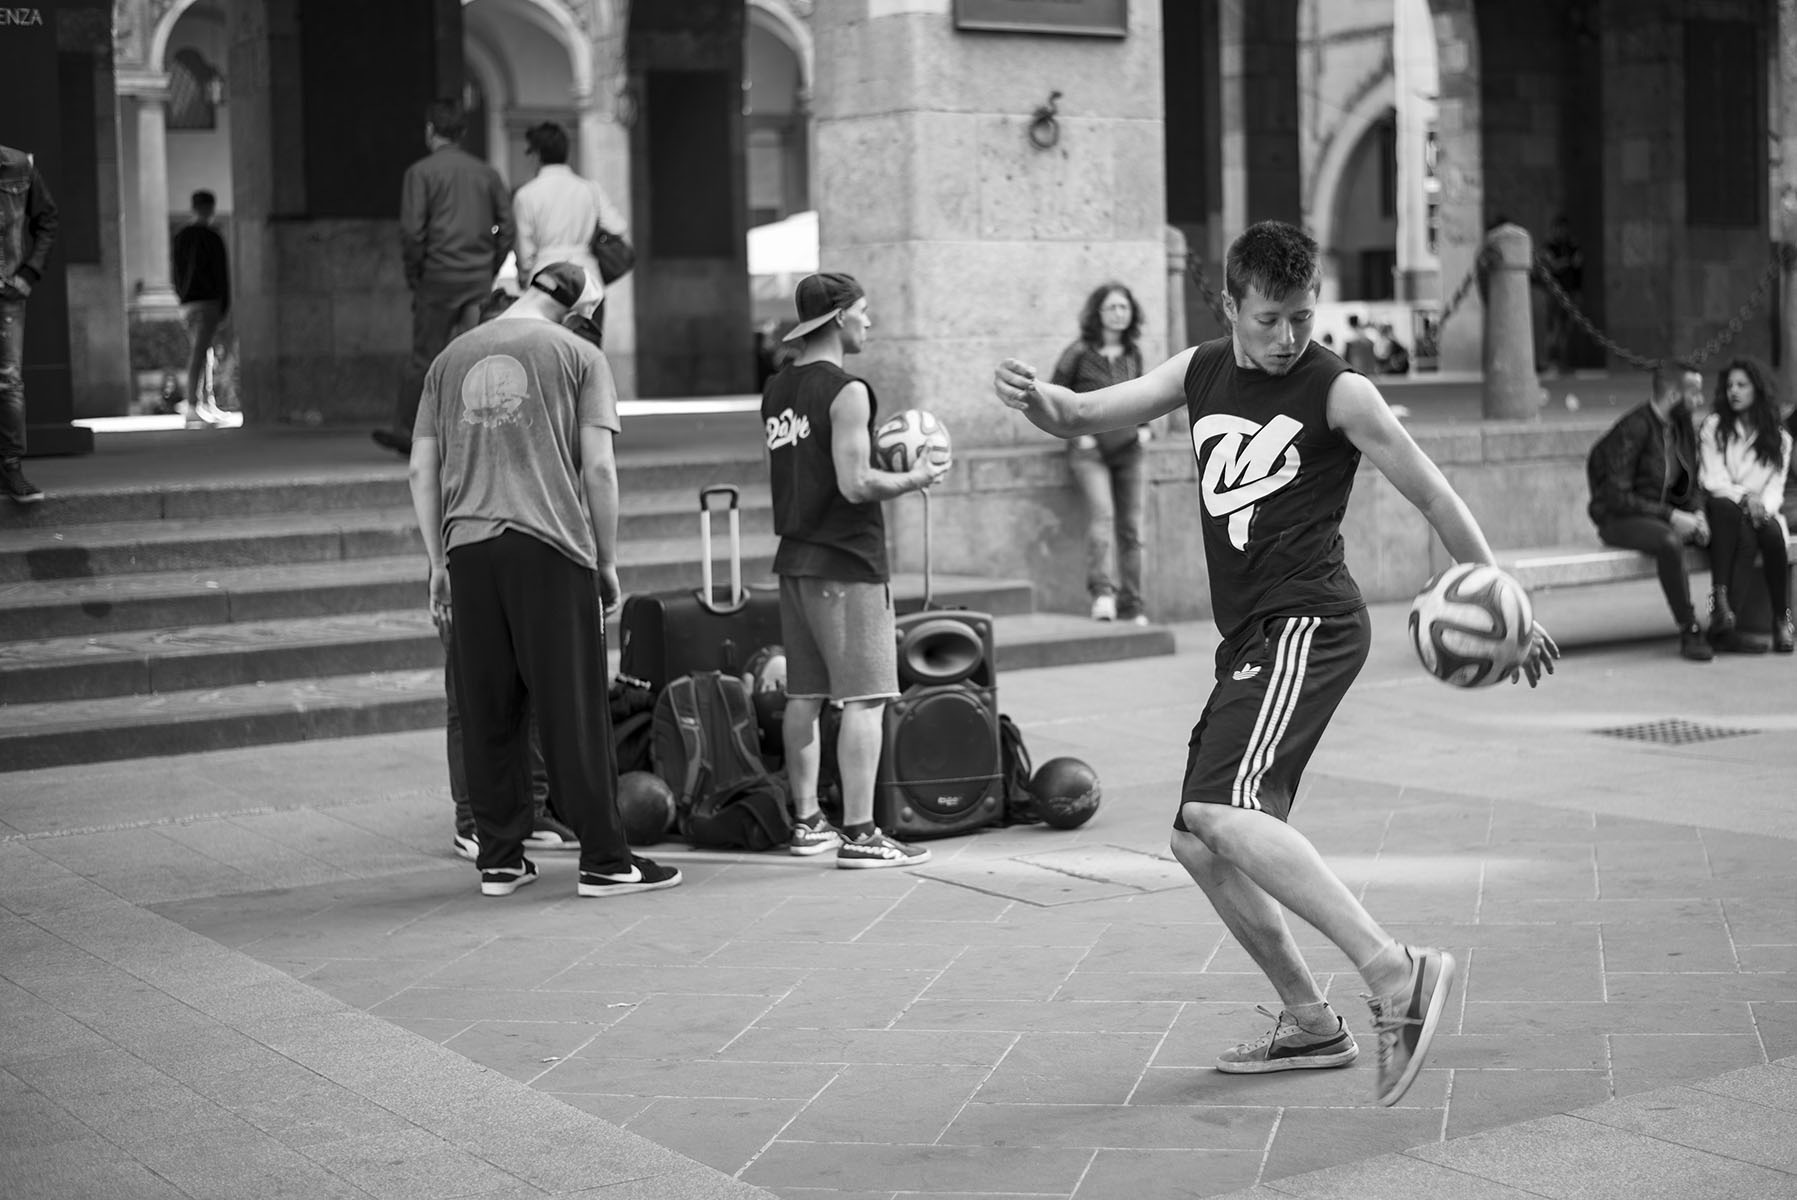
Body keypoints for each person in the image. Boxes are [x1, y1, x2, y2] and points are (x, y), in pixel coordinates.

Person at [992, 221, 1556, 1107]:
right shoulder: (1198, 370)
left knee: (1220, 808)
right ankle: (1309, 1020)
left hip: (1308, 623)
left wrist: (1499, 597)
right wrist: (1038, 399)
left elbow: (1433, 494)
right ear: (1228, 304)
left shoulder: (1340, 391)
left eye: (1301, 315)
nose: (1287, 336)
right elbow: (1083, 414)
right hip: (1252, 637)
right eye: (1268, 318)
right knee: (1196, 837)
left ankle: (1395, 971)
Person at [408, 261, 680, 898]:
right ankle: (605, 860)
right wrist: (606, 560)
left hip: (468, 550)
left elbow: (421, 471)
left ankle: (500, 858)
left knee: (488, 709)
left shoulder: (449, 359)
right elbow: (599, 468)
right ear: (581, 309)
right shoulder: (578, 354)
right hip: (550, 544)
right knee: (572, 706)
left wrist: (438, 563)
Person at [762, 272, 949, 867]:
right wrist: (916, 477)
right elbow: (855, 482)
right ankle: (863, 835)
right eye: (864, 310)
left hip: (795, 558)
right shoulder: (847, 392)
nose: (870, 321)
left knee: (805, 695)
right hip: (846, 562)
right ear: (840, 317)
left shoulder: (776, 388)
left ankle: (807, 823)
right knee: (866, 698)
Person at [377, 99, 515, 459]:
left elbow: (412, 232)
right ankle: (487, 436)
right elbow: (507, 227)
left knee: (425, 358)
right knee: (479, 358)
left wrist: (416, 274)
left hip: (437, 278)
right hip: (477, 280)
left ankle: (408, 432)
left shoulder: (420, 173)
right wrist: (489, 266)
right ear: (462, 132)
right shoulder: (487, 174)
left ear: (430, 131)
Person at [1585, 360, 1712, 661]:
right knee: (1669, 541)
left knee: (1724, 525)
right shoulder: (1635, 428)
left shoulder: (1682, 427)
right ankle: (1689, 627)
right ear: (1673, 396)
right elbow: (1616, 497)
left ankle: (1724, 616)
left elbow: (1691, 482)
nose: (1700, 400)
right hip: (1619, 519)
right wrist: (1671, 517)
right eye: (1694, 393)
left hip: (1662, 516)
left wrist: (1699, 514)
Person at [1052, 282, 1151, 623]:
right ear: (1098, 312)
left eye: (1124, 307)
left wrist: (1144, 428)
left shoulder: (1133, 353)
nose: (1119, 314)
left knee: (1133, 529)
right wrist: (1077, 435)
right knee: (1103, 517)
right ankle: (1102, 595)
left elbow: (1144, 395)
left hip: (1130, 450)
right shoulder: (1077, 352)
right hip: (1090, 452)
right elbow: (1055, 396)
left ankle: (1133, 605)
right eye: (1112, 307)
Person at [1697, 357, 1793, 654]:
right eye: (1730, 386)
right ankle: (1723, 612)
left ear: (1757, 389)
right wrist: (1745, 498)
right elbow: (1713, 479)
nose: (1734, 391)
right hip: (1725, 509)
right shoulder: (1715, 426)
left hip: (1760, 511)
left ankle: (1781, 620)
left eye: (1742, 385)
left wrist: (1762, 507)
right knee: (1737, 524)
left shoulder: (1780, 438)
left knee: (1773, 535)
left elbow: (1776, 486)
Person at [512, 121, 627, 347]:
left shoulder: (526, 195)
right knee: (587, 354)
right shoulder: (589, 189)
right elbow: (617, 227)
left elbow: (525, 255)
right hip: (588, 279)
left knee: (548, 354)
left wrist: (525, 281)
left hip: (545, 281)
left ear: (537, 154)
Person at [0, 144, 58, 505]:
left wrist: (29, 273)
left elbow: (47, 219)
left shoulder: (19, 167)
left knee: (8, 380)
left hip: (6, 290)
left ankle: (10, 466)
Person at [170, 189, 230, 428]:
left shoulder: (181, 237)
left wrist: (181, 296)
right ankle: (194, 404)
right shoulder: (212, 238)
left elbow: (176, 272)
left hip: (188, 303)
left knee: (204, 351)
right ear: (211, 209)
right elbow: (221, 275)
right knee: (200, 352)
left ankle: (206, 402)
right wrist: (224, 305)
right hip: (208, 302)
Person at [1540, 214, 1583, 375]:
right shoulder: (1549, 247)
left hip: (1570, 291)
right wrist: (1566, 262)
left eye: (1564, 229)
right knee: (1553, 328)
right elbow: (1551, 265)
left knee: (1566, 329)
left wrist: (1578, 291)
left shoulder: (1572, 246)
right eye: (1559, 228)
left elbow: (1578, 267)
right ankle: (1550, 361)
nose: (1562, 232)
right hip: (1554, 292)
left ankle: (1562, 362)